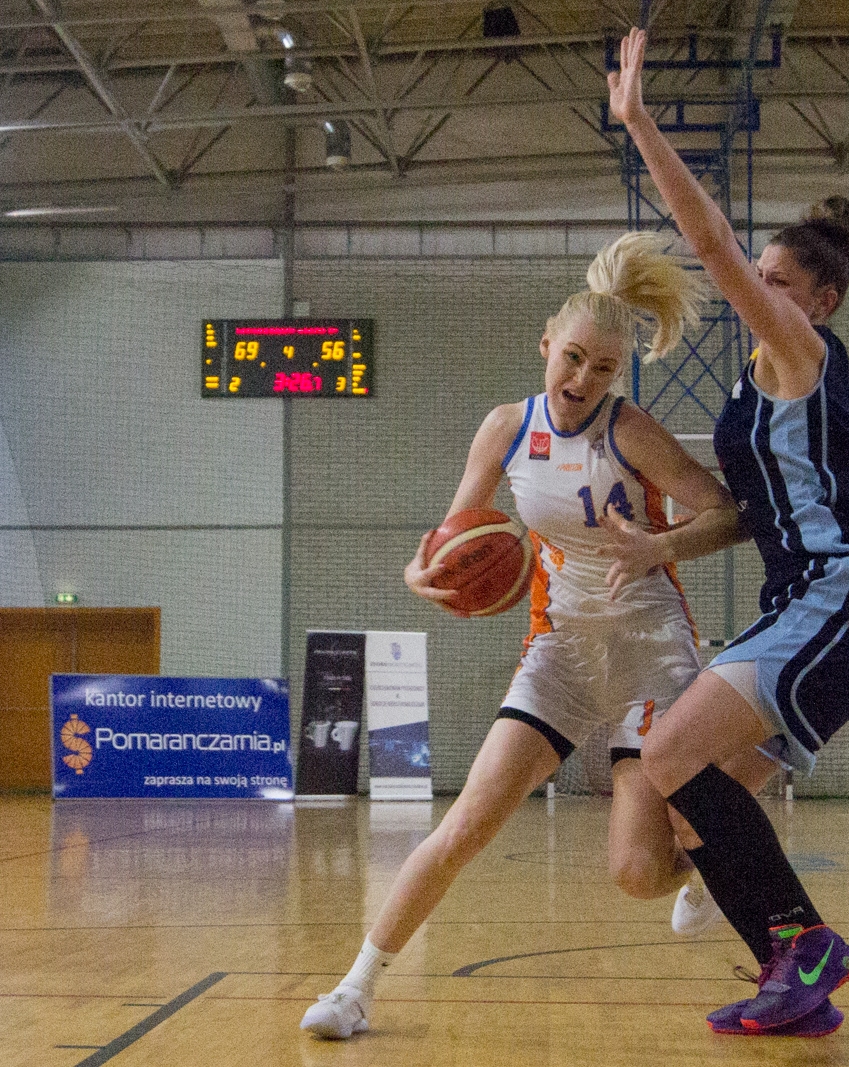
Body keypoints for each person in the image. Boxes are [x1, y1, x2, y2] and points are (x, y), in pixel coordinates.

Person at [301, 232, 744, 1040]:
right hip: (561, 651)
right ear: (546, 345)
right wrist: (419, 570)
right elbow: (454, 529)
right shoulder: (506, 427)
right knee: (467, 821)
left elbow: (730, 513)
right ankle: (355, 988)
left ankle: (708, 858)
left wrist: (661, 545)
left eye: (604, 368)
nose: (583, 380)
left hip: (651, 651)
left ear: (620, 375)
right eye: (573, 358)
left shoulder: (632, 432)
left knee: (638, 873)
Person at [610, 29, 849, 1037]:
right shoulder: (752, 388)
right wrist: (661, 546)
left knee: (666, 754)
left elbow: (707, 247)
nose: (757, 291)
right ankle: (795, 979)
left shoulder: (803, 348)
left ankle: (805, 941)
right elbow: (744, 513)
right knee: (691, 810)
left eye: (775, 279)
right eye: (761, 278)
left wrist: (641, 123)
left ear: (818, 299)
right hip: (805, 604)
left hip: (841, 594)